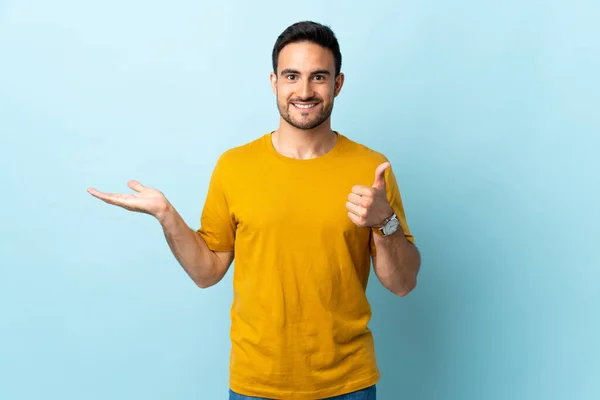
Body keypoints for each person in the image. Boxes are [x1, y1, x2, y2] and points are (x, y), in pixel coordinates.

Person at [88, 20, 421, 400]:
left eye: (319, 77)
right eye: (292, 76)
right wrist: (167, 215)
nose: (304, 90)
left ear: (338, 84)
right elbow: (207, 271)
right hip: (257, 384)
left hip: (348, 384)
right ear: (274, 82)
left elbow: (403, 284)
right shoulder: (235, 167)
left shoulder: (371, 170)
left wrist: (385, 223)